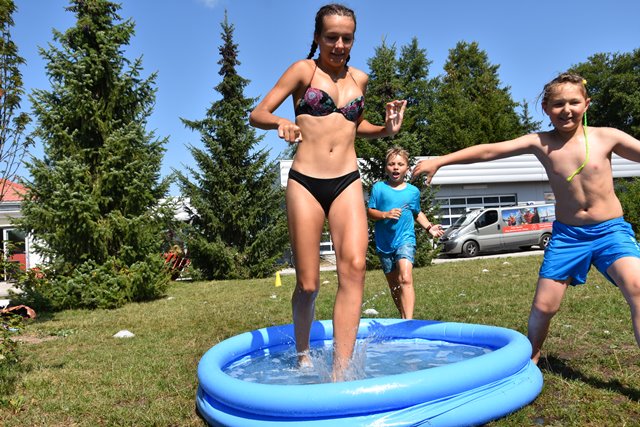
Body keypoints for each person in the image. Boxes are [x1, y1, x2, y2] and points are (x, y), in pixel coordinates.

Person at [413, 72, 640, 364]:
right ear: (546, 108)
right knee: (545, 307)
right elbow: (490, 151)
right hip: (569, 237)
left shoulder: (607, 137)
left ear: (586, 104)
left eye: (574, 102)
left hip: (610, 232)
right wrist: (441, 161)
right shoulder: (541, 142)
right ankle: (532, 357)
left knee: (636, 288)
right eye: (558, 104)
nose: (566, 109)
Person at [249, 3, 406, 380]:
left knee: (354, 267)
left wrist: (386, 129)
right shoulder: (303, 71)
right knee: (308, 284)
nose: (339, 45)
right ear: (318, 37)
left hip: (346, 179)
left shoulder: (360, 79)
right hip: (306, 181)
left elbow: (354, 124)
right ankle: (303, 355)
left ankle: (340, 371)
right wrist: (281, 122)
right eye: (331, 37)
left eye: (346, 38)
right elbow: (257, 114)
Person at [367, 147, 444, 319]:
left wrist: (429, 227)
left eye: (400, 164)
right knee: (394, 285)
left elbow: (417, 212)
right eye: (392, 164)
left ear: (407, 169)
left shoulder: (412, 192)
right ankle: (403, 316)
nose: (396, 167)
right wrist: (385, 214)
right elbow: (370, 212)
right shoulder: (379, 188)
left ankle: (408, 321)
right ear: (386, 167)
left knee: (406, 278)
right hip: (384, 242)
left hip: (405, 239)